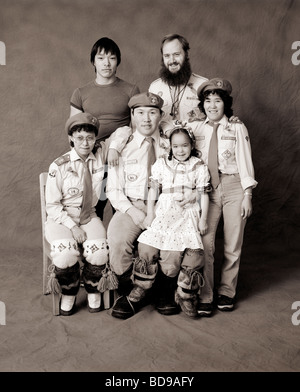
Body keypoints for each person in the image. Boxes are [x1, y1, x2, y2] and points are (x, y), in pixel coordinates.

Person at [45, 112, 130, 316]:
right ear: (71, 139)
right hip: (62, 217)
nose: (85, 142)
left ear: (95, 139)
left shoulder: (99, 157)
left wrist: (115, 148)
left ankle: (93, 288)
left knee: (100, 252)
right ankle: (69, 293)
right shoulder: (59, 165)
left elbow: (125, 130)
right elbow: (52, 205)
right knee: (65, 256)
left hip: (88, 216)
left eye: (90, 137)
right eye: (80, 137)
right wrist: (72, 227)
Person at [106, 91, 180, 319]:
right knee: (117, 240)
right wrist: (135, 213)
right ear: (132, 116)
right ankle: (130, 293)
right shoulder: (122, 145)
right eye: (140, 113)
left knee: (172, 246)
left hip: (166, 205)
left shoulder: (173, 145)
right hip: (131, 205)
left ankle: (164, 292)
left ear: (161, 116)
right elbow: (113, 190)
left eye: (152, 113)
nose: (146, 119)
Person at [191, 78, 258, 316]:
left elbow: (244, 161)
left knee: (232, 243)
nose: (212, 106)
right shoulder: (196, 128)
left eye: (217, 101)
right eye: (207, 101)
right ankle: (206, 294)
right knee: (205, 243)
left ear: (225, 104)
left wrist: (247, 194)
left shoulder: (237, 128)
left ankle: (227, 292)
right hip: (206, 189)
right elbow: (173, 138)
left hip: (233, 187)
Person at [137, 125, 211, 318]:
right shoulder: (162, 163)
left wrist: (203, 219)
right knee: (147, 244)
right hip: (165, 209)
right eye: (176, 146)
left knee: (190, 252)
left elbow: (203, 194)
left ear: (191, 145)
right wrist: (150, 212)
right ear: (170, 146)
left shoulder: (198, 165)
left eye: (185, 145)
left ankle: (185, 294)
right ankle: (142, 286)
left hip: (187, 213)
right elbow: (153, 189)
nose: (180, 150)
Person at [70, 37, 140, 219]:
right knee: (94, 205)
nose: (106, 63)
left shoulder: (130, 90)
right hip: (93, 156)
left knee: (123, 206)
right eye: (101, 58)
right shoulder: (81, 93)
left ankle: (124, 246)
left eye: (112, 58)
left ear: (118, 61)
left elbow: (137, 128)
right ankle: (95, 244)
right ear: (93, 61)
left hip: (122, 156)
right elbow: (73, 132)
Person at [149, 33, 208, 136]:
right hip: (163, 148)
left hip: (198, 148)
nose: (172, 61)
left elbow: (216, 120)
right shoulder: (154, 88)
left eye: (176, 54)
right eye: (167, 56)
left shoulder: (203, 85)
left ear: (186, 54)